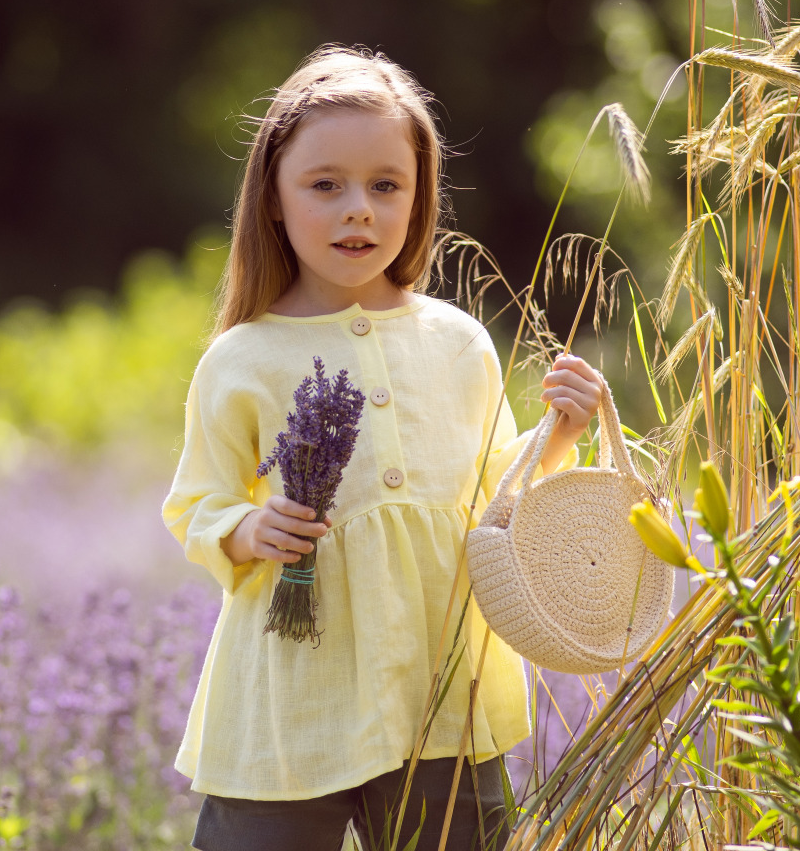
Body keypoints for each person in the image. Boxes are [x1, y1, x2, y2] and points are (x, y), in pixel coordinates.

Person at [163, 45, 607, 851]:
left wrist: (559, 437)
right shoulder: (241, 359)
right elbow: (195, 503)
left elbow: (497, 501)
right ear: (272, 198)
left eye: (384, 185)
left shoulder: (459, 343)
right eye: (324, 185)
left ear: (418, 197)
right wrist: (245, 530)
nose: (357, 209)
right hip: (292, 700)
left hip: (440, 696)